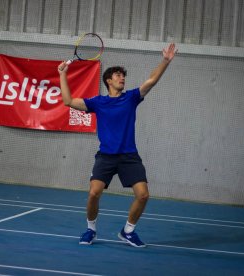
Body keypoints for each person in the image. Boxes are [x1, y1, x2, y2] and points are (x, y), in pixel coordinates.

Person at [57, 43, 177, 248]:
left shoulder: (131, 98)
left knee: (143, 195)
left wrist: (165, 61)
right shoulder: (98, 102)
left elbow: (152, 81)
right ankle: (91, 230)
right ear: (108, 81)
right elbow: (67, 101)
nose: (122, 78)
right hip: (106, 156)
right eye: (118, 75)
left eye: (123, 76)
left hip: (129, 156)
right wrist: (62, 74)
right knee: (94, 192)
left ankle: (128, 232)